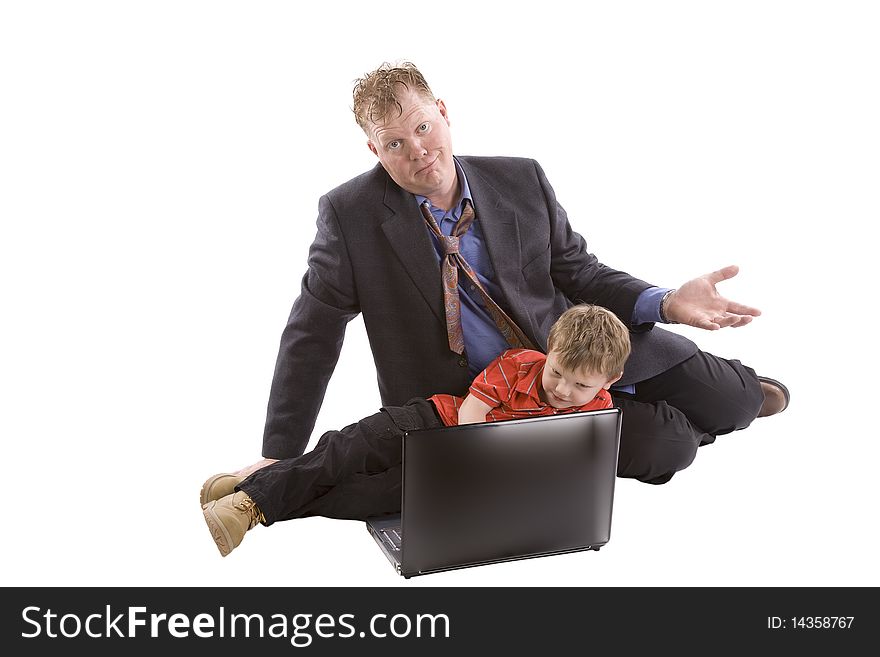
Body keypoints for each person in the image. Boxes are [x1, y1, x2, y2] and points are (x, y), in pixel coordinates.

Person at [232, 61, 789, 490]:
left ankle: (708, 393)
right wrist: (281, 451)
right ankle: (663, 420)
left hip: (580, 350)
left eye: (423, 127)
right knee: (665, 447)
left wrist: (666, 302)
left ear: (443, 112)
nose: (419, 150)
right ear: (374, 148)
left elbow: (579, 270)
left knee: (737, 403)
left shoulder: (519, 179)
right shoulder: (349, 217)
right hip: (497, 400)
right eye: (395, 143)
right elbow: (311, 335)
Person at [201, 304, 632, 556]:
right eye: (558, 372)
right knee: (348, 450)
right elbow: (474, 411)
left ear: (607, 383)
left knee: (365, 496)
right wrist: (476, 458)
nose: (562, 389)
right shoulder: (521, 363)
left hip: (458, 476)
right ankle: (248, 507)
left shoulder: (597, 414)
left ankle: (254, 486)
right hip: (436, 423)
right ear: (549, 351)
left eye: (581, 385)